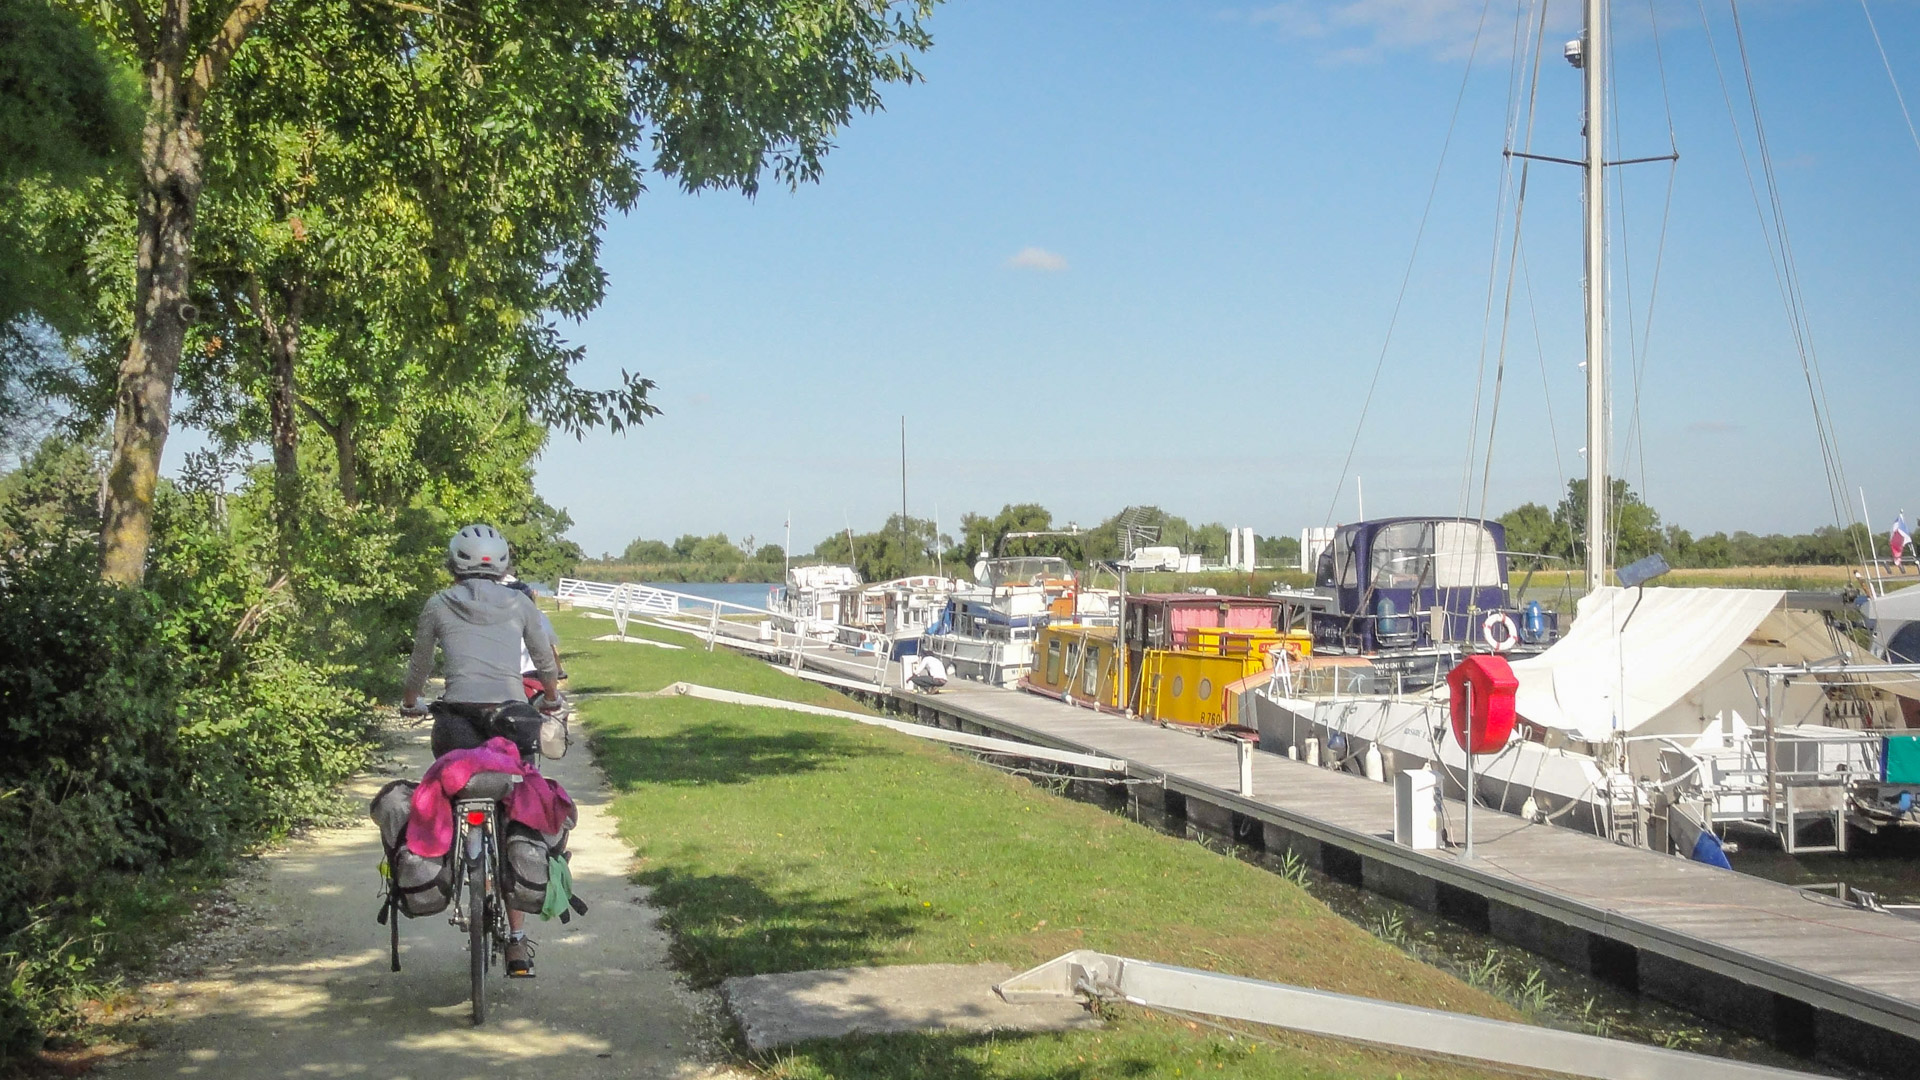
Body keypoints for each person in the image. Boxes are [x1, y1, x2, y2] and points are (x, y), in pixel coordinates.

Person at [401, 523, 562, 977]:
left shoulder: (437, 604)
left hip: (454, 721)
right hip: (513, 719)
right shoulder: (520, 604)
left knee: (456, 790)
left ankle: (449, 865)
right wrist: (550, 699)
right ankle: (515, 941)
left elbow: (419, 664)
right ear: (505, 564)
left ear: (454, 563)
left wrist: (411, 702)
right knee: (519, 807)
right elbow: (545, 661)